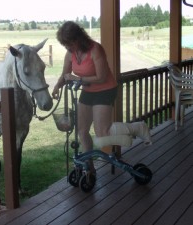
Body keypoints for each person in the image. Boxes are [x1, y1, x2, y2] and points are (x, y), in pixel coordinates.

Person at [52, 21, 151, 180]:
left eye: (69, 43)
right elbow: (65, 75)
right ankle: (89, 167)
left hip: (105, 89)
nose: (67, 47)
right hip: (88, 91)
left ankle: (138, 128)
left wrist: (77, 78)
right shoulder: (70, 53)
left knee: (102, 132)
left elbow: (101, 77)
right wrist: (57, 86)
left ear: (78, 38)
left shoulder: (95, 49)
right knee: (82, 130)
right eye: (65, 45)